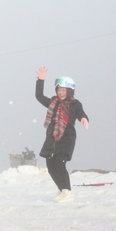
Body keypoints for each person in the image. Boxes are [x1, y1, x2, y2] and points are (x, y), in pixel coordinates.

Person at [35, 67, 89, 203]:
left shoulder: (74, 104)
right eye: (59, 90)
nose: (61, 93)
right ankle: (61, 190)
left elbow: (81, 113)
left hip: (66, 138)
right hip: (52, 138)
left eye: (64, 90)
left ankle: (67, 192)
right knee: (50, 165)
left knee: (59, 163)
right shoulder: (53, 103)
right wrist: (41, 80)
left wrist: (84, 118)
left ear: (69, 91)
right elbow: (39, 96)